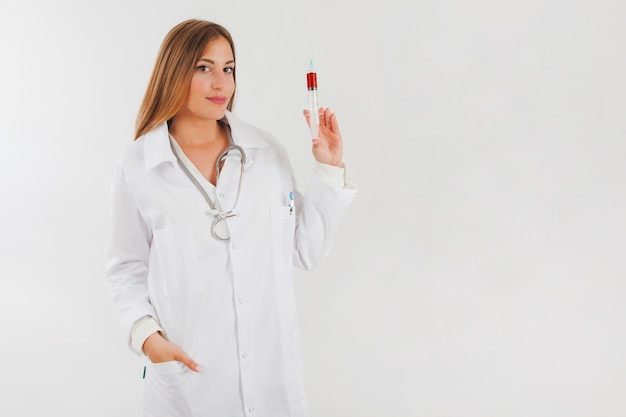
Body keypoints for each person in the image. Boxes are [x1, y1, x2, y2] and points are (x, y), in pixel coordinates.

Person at [106, 19, 357, 416]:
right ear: (175, 72)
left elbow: (306, 250)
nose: (221, 83)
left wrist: (329, 169)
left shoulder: (266, 152)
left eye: (229, 69)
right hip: (189, 379)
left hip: (272, 377)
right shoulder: (138, 165)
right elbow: (126, 267)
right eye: (204, 68)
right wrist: (147, 337)